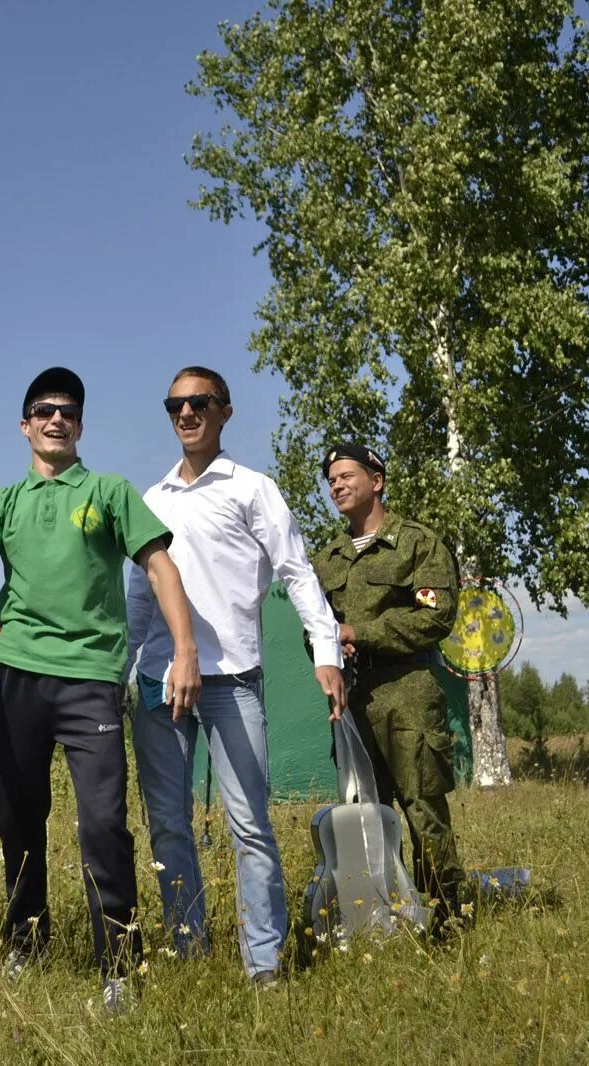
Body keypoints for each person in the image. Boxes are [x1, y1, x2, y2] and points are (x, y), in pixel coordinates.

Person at [0, 366, 201, 1012]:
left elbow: (160, 568)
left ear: (78, 425)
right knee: (19, 818)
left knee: (102, 823)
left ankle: (119, 965)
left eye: (67, 411)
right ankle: (26, 940)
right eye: (43, 410)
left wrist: (184, 652)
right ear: (24, 425)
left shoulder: (108, 491)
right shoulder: (1, 502)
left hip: (91, 680)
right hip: (14, 675)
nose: (55, 419)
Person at [124, 366, 346, 985]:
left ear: (225, 411)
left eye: (200, 403)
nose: (186, 413)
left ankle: (265, 964)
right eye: (175, 404)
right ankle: (189, 951)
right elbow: (139, 600)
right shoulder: (153, 500)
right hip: (157, 682)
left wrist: (324, 650)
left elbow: (297, 572)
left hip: (231, 679)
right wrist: (121, 672)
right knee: (168, 825)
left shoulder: (252, 488)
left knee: (249, 825)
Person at [310, 443, 464, 929]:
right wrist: (329, 653)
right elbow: (315, 625)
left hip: (409, 691)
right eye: (330, 479)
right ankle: (375, 914)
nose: (336, 484)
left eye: (346, 475)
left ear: (377, 480)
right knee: (361, 813)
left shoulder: (417, 543)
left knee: (423, 807)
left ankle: (446, 914)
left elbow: (436, 617)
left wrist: (363, 633)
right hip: (352, 698)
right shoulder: (328, 558)